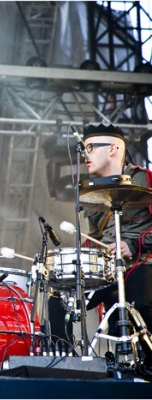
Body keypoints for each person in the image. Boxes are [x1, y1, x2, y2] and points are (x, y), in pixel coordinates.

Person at [83, 123, 152, 367]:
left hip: (142, 261)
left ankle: (148, 363)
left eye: (90, 147)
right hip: (106, 268)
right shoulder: (92, 193)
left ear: (113, 148)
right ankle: (64, 356)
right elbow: (94, 236)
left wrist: (133, 245)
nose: (85, 155)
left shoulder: (145, 179)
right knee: (61, 297)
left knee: (141, 303)